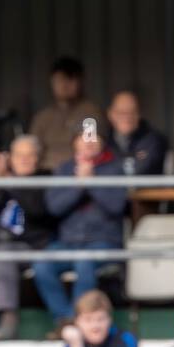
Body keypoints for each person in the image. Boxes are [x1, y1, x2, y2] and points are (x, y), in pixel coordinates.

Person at [34, 132, 127, 325]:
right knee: (42, 264)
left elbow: (116, 206)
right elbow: (54, 207)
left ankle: (77, 322)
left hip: (104, 242)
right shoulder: (64, 169)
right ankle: (64, 320)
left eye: (94, 138)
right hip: (68, 243)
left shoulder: (114, 168)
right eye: (84, 138)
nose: (89, 143)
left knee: (84, 263)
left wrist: (92, 183)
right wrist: (78, 186)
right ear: (75, 143)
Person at [0, 134, 55, 340]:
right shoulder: (1, 183)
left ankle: (8, 319)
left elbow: (38, 211)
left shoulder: (46, 179)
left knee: (4, 253)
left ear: (38, 158)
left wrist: (9, 180)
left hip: (30, 245)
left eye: (29, 155)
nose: (24, 160)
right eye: (18, 155)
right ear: (11, 158)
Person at [29, 57, 100, 171]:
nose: (64, 85)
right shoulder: (43, 117)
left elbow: (90, 148)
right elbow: (32, 150)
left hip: (78, 172)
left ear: (80, 81)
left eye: (70, 79)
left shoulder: (89, 113)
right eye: (60, 80)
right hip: (45, 174)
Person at [106, 91, 167, 176]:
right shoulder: (103, 140)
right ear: (111, 114)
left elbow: (141, 169)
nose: (127, 117)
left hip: (145, 188)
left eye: (132, 112)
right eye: (121, 113)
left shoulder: (153, 140)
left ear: (139, 114)